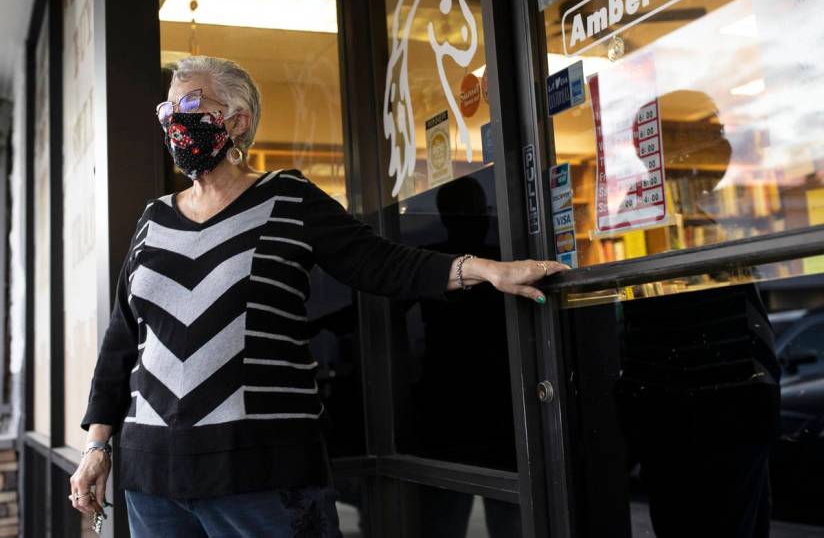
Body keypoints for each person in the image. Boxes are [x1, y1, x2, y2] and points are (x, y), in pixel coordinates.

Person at [68, 55, 567, 536]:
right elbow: (122, 340)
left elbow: (381, 262)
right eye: (167, 111)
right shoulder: (152, 220)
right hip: (154, 481)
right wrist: (97, 447)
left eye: (190, 106)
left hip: (263, 476)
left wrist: (480, 267)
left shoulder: (287, 198)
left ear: (237, 121)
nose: (174, 121)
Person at [616, 91, 781, 537]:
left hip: (721, 418)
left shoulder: (687, 214)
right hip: (706, 422)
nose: (724, 144)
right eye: (713, 132)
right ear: (675, 145)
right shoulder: (654, 216)